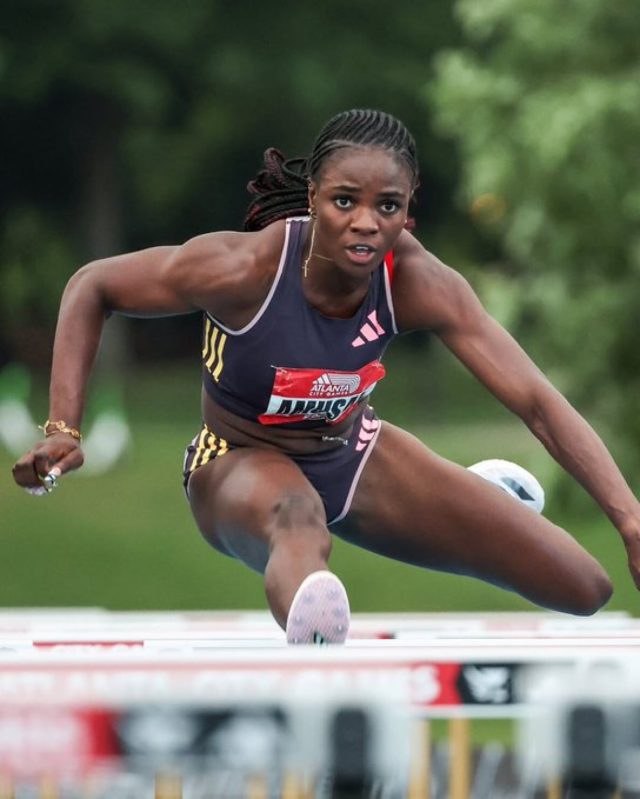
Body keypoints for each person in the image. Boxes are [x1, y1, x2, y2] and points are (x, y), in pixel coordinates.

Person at [12, 109, 640, 644]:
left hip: (351, 454)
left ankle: (473, 495)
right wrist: (64, 426)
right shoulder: (244, 270)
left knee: (583, 587)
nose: (366, 222)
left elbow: (536, 401)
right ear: (313, 196)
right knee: (298, 517)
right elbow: (92, 285)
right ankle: (319, 643)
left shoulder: (419, 282)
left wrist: (630, 519)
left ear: (407, 211)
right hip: (236, 462)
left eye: (387, 206)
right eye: (345, 201)